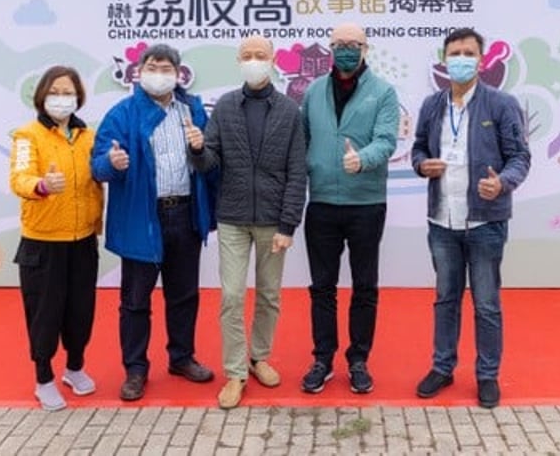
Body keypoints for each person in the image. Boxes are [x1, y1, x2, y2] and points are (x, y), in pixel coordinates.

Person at [410, 27, 531, 409]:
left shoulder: (501, 104)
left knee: (486, 303)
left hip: (485, 222)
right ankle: (442, 367)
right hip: (442, 221)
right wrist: (420, 166)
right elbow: (416, 149)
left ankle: (487, 375)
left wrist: (505, 183)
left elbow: (520, 157)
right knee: (445, 299)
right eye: (454, 53)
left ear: (480, 60)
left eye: (468, 52)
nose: (460, 59)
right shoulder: (432, 105)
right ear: (444, 59)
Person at [91, 44, 218, 402]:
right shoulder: (123, 113)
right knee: (135, 299)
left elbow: (209, 162)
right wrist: (111, 163)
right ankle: (135, 368)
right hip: (141, 218)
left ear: (178, 73)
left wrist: (199, 147)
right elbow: (97, 164)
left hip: (184, 214)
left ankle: (181, 358)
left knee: (184, 295)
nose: (159, 73)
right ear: (139, 71)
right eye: (152, 66)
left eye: (166, 67)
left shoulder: (192, 111)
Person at [188, 36, 308, 409]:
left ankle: (259, 357)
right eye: (247, 56)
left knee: (270, 294)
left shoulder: (290, 110)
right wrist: (197, 149)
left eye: (260, 56)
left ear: (272, 60)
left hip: (274, 220)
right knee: (232, 295)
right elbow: (210, 163)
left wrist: (289, 225)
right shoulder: (225, 106)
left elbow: (297, 171)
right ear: (238, 61)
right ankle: (235, 371)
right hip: (233, 218)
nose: (253, 61)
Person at [299, 22, 399, 395]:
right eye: (339, 43)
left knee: (364, 286)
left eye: (353, 44)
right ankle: (323, 358)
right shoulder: (313, 91)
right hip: (322, 201)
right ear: (330, 48)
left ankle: (359, 360)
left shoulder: (383, 92)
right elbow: (302, 139)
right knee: (322, 287)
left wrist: (365, 159)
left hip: (366, 203)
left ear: (365, 48)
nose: (345, 49)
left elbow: (387, 140)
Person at [9, 66, 104, 411]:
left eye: (69, 92)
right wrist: (42, 186)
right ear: (42, 96)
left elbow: (102, 170)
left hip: (82, 239)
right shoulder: (26, 136)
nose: (62, 99)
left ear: (78, 97)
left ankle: (75, 368)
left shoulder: (88, 136)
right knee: (45, 313)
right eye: (55, 92)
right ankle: (44, 377)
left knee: (81, 310)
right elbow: (19, 177)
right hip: (43, 242)